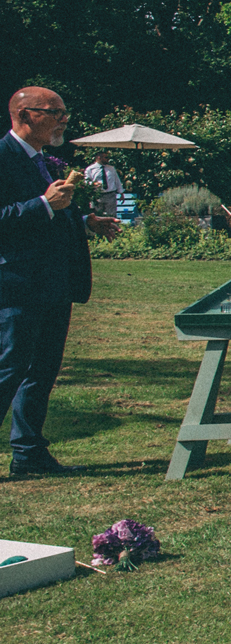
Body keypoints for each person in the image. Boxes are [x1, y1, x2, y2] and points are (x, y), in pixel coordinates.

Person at [0, 87, 121, 476]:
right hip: (17, 281)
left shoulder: (46, 160)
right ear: (24, 115)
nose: (64, 120)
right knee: (10, 366)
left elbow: (55, 210)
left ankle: (28, 452)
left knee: (42, 370)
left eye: (64, 112)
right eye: (56, 113)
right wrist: (42, 205)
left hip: (54, 281)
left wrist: (85, 221)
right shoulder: (3, 157)